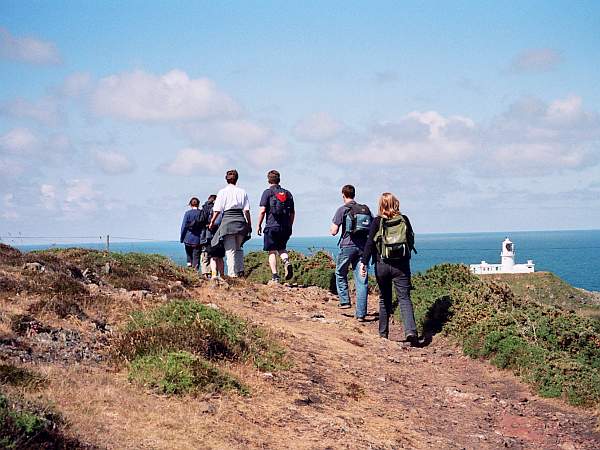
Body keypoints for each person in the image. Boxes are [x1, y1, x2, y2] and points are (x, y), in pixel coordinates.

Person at [360, 192, 418, 346]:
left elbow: (370, 243)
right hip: (401, 266)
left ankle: (383, 334)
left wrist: (364, 262)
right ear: (396, 203)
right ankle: (411, 332)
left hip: (382, 265)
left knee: (384, 299)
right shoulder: (404, 219)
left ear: (381, 205)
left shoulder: (377, 221)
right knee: (404, 298)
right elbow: (410, 240)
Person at [330, 185, 371, 321]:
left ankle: (345, 301)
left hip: (347, 246)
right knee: (362, 280)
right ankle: (361, 314)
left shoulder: (342, 209)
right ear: (354, 194)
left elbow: (333, 231)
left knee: (340, 272)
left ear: (343, 195)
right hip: (363, 248)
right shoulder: (365, 210)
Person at [208, 169, 251, 277]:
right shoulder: (242, 191)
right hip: (240, 222)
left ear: (226, 179)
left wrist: (212, 222)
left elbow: (217, 210)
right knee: (238, 249)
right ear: (237, 179)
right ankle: (240, 271)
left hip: (228, 222)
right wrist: (249, 224)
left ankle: (232, 274)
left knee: (230, 250)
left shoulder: (222, 192)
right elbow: (246, 210)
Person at [257, 170, 295, 284]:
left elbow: (262, 210)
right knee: (282, 248)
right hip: (285, 227)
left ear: (269, 180)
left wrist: (259, 225)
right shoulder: (288, 193)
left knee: (272, 251)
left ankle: (275, 276)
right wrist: (290, 225)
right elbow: (292, 212)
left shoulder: (267, 193)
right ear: (279, 180)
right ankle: (286, 261)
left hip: (271, 226)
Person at [179, 197, 203, 270]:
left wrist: (182, 238)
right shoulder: (202, 213)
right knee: (196, 256)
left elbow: (183, 227)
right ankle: (195, 271)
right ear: (198, 204)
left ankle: (189, 270)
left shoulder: (187, 213)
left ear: (190, 204)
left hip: (188, 238)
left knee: (189, 256)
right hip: (198, 239)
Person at [198, 194, 217, 278]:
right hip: (214, 233)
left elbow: (200, 221)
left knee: (204, 253)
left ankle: (205, 273)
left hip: (204, 233)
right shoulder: (216, 208)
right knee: (214, 255)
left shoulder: (203, 208)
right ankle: (213, 273)